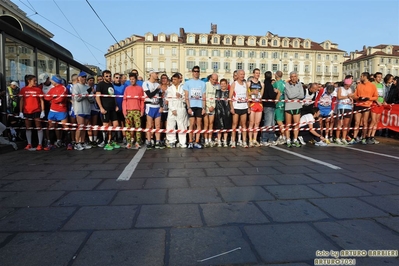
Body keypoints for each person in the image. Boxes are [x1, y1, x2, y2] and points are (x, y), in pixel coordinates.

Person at [96, 70, 121, 150]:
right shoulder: (100, 85)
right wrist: (101, 108)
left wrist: (116, 105)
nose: (109, 77)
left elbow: (113, 96)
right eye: (107, 76)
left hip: (112, 108)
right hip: (105, 108)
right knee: (106, 126)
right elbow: (97, 97)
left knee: (115, 125)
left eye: (110, 76)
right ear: (103, 77)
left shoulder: (111, 84)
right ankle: (105, 142)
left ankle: (111, 141)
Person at [19, 75, 45, 150]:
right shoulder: (23, 89)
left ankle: (40, 144)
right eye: (34, 80)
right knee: (28, 127)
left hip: (36, 110)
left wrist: (43, 111)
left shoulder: (38, 90)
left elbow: (41, 100)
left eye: (36, 80)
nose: (36, 82)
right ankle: (29, 144)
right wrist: (21, 111)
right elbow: (21, 100)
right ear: (29, 81)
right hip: (26, 111)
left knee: (38, 127)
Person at [43, 74, 68, 150]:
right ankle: (50, 143)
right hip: (52, 110)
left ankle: (67, 143)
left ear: (55, 81)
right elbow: (46, 97)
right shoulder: (52, 89)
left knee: (65, 127)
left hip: (61, 110)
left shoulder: (63, 88)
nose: (51, 81)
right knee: (51, 126)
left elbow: (60, 99)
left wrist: (52, 99)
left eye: (52, 80)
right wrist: (53, 98)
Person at [352, 72, 378, 144]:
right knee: (357, 122)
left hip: (367, 105)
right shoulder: (359, 85)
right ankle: (354, 137)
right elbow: (355, 95)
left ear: (365, 77)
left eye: (361, 76)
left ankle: (363, 138)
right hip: (358, 104)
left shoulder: (372, 86)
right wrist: (359, 98)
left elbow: (376, 96)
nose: (360, 77)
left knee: (364, 122)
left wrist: (368, 98)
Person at [184, 66, 206, 149]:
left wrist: (203, 108)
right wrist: (188, 107)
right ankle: (190, 141)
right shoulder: (188, 83)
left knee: (199, 124)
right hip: (192, 105)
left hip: (199, 105)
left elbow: (204, 96)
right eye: (195, 71)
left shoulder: (202, 83)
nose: (196, 72)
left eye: (197, 71)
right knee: (191, 124)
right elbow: (186, 96)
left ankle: (197, 141)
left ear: (199, 72)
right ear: (192, 72)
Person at [72, 71, 94, 150]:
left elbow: (92, 100)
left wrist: (89, 96)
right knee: (80, 126)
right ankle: (77, 143)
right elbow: (77, 98)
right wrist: (86, 93)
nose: (84, 78)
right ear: (78, 78)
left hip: (87, 109)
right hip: (79, 109)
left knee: (84, 127)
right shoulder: (76, 86)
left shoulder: (87, 87)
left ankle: (82, 142)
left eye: (85, 77)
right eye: (82, 77)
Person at [166, 73, 188, 148]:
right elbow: (169, 99)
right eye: (173, 80)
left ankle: (182, 142)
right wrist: (173, 109)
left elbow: (186, 99)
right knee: (170, 125)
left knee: (182, 125)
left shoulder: (184, 87)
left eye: (175, 79)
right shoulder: (169, 88)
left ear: (179, 79)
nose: (174, 81)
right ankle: (171, 141)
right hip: (172, 109)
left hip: (181, 108)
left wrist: (181, 96)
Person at [123, 73, 145, 149]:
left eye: (133, 79)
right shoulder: (127, 88)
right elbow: (124, 100)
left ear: (136, 79)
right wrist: (124, 111)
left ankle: (138, 142)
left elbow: (142, 100)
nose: (132, 80)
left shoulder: (140, 88)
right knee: (128, 127)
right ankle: (129, 142)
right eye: (130, 79)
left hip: (137, 111)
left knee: (138, 127)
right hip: (128, 111)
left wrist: (142, 110)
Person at [229, 69, 249, 148]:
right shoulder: (234, 84)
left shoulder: (245, 84)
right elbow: (230, 97)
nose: (242, 76)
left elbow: (247, 96)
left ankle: (244, 141)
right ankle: (233, 141)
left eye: (243, 74)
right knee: (235, 124)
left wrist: (249, 106)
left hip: (244, 106)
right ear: (237, 75)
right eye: (241, 74)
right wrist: (231, 107)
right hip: (236, 106)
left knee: (244, 124)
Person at [284, 71, 304, 147]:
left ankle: (295, 139)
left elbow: (302, 95)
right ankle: (288, 139)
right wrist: (298, 94)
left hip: (297, 106)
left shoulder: (300, 84)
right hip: (289, 106)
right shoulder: (287, 85)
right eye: (292, 76)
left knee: (296, 124)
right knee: (288, 124)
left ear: (297, 76)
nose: (293, 78)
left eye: (295, 76)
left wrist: (296, 95)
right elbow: (290, 96)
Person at [247, 68, 264, 147]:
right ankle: (250, 140)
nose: (257, 74)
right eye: (256, 73)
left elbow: (262, 95)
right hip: (252, 104)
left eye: (259, 73)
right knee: (251, 123)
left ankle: (255, 139)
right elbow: (247, 94)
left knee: (257, 123)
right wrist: (252, 92)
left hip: (259, 104)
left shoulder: (262, 84)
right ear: (253, 74)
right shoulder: (249, 83)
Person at [261, 70, 278, 146]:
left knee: (270, 123)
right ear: (271, 76)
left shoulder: (264, 84)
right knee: (269, 123)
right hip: (269, 105)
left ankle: (270, 138)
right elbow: (271, 95)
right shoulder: (269, 85)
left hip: (266, 105)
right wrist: (276, 92)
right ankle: (265, 139)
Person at [335, 78, 354, 145]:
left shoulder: (350, 89)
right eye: (347, 85)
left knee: (346, 124)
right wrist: (347, 96)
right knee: (340, 123)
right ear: (344, 84)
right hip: (341, 106)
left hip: (348, 107)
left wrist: (351, 98)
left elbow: (352, 96)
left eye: (349, 85)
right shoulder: (340, 89)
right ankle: (337, 138)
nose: (348, 86)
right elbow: (339, 97)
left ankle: (343, 138)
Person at [214, 78, 232, 147]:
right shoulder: (217, 92)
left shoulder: (229, 92)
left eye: (225, 84)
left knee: (226, 127)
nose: (223, 85)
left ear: (227, 84)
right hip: (218, 111)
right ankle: (218, 140)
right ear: (220, 84)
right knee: (219, 126)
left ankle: (225, 141)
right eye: (222, 84)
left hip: (227, 111)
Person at [204, 73, 218, 147]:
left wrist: (213, 106)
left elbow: (216, 98)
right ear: (210, 79)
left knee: (211, 124)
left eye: (216, 80)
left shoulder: (216, 86)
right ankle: (206, 140)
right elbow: (204, 96)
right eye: (213, 79)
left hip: (213, 107)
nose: (214, 81)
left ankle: (210, 139)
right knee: (206, 124)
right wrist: (208, 106)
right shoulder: (206, 84)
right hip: (207, 107)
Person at [273, 71, 286, 145]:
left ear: (276, 75)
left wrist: (275, 101)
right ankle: (281, 135)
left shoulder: (276, 83)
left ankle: (283, 136)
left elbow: (276, 93)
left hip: (278, 103)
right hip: (284, 103)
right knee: (282, 121)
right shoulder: (284, 83)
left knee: (279, 121)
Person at [87, 75, 100, 147]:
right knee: (89, 125)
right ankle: (90, 140)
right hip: (88, 108)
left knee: (94, 124)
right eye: (90, 80)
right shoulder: (86, 88)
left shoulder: (96, 87)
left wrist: (94, 92)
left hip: (95, 108)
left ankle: (94, 140)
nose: (91, 82)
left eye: (92, 80)